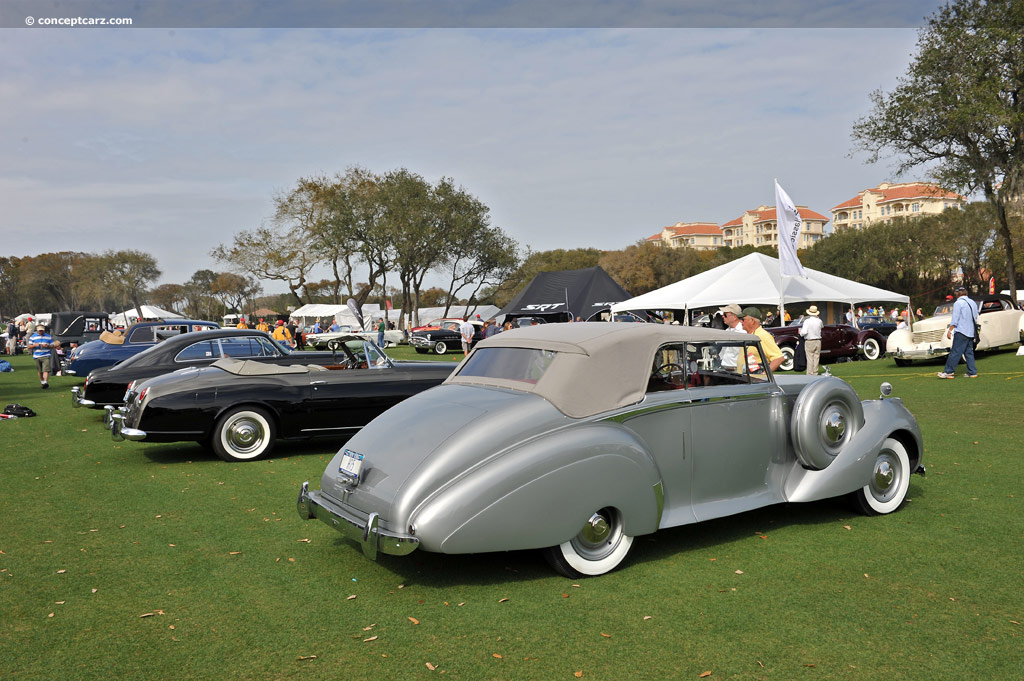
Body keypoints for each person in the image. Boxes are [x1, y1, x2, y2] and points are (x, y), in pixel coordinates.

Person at [938, 285, 979, 379]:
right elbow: (976, 317)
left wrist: (950, 330)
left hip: (961, 330)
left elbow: (955, 318)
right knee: (969, 352)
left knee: (955, 352)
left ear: (957, 294)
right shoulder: (973, 302)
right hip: (971, 331)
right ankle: (972, 372)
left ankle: (949, 372)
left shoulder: (958, 303)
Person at [739, 307, 785, 372]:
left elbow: (779, 358)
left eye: (743, 319)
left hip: (756, 379)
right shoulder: (750, 335)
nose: (740, 321)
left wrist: (764, 375)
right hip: (745, 377)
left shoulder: (763, 336)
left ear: (752, 321)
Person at [717, 304, 746, 371]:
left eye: (725, 315)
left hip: (736, 370)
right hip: (724, 367)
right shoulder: (727, 331)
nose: (723, 316)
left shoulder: (743, 332)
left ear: (734, 316)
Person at [799, 305, 824, 375]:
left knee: (810, 358)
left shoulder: (807, 321)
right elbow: (822, 327)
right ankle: (815, 372)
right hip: (818, 340)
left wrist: (800, 333)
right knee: (816, 357)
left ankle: (810, 373)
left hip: (809, 340)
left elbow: (804, 332)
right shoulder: (819, 321)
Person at [28, 323, 53, 388]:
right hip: (37, 356)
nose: (40, 331)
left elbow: (52, 345)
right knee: (40, 371)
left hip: (46, 355)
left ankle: (45, 382)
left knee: (46, 370)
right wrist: (34, 345)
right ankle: (42, 381)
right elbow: (29, 346)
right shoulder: (33, 337)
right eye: (39, 330)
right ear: (37, 330)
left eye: (41, 330)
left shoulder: (48, 336)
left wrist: (48, 345)